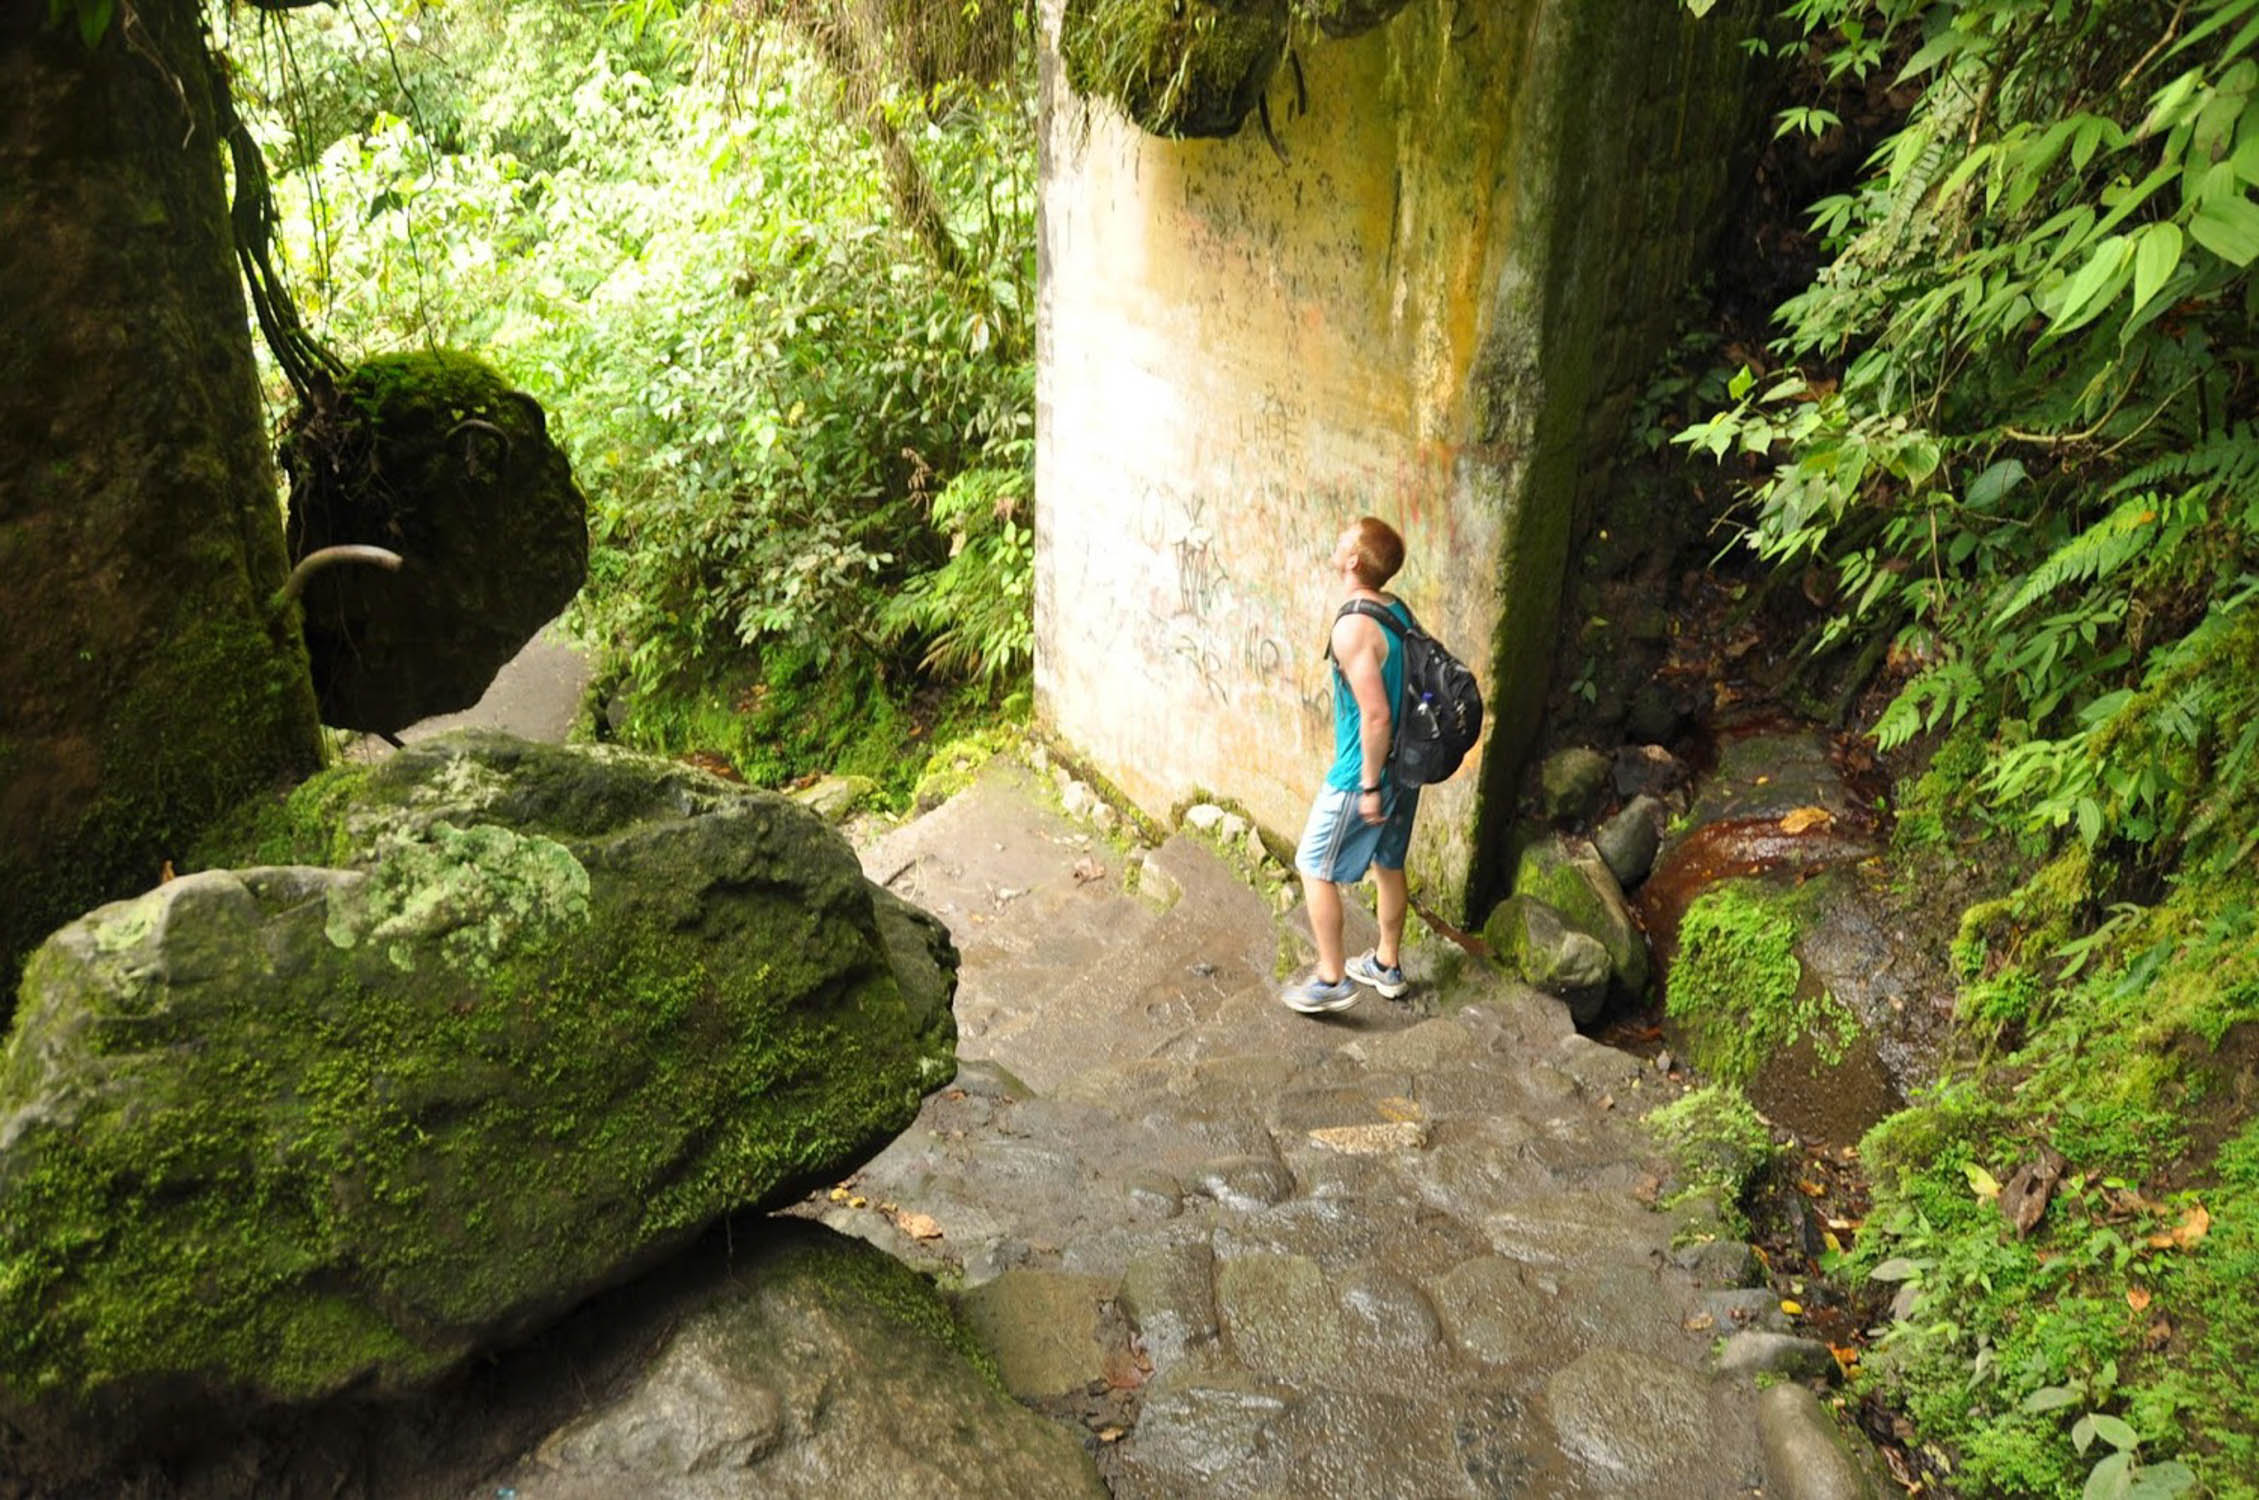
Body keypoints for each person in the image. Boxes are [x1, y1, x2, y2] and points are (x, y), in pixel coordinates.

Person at [1281, 516, 1418, 1015]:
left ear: (1355, 561)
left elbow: (1376, 713)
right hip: (1406, 766)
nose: (1336, 541)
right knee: (1388, 862)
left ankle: (1332, 977)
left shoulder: (1352, 629)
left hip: (1365, 772)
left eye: (1345, 539)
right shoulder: (1394, 610)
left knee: (1313, 864)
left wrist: (1367, 786)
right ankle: (1386, 964)